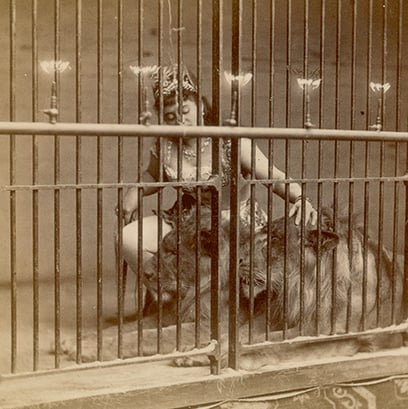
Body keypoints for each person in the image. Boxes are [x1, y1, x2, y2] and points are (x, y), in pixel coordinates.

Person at [118, 63, 317, 311]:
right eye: (170, 117)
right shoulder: (165, 146)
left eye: (185, 111)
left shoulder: (229, 143)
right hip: (187, 223)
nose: (179, 120)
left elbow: (273, 176)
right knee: (129, 237)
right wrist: (135, 190)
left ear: (200, 107)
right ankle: (171, 300)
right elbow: (152, 175)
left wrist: (300, 197)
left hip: (235, 225)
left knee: (242, 282)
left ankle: (217, 308)